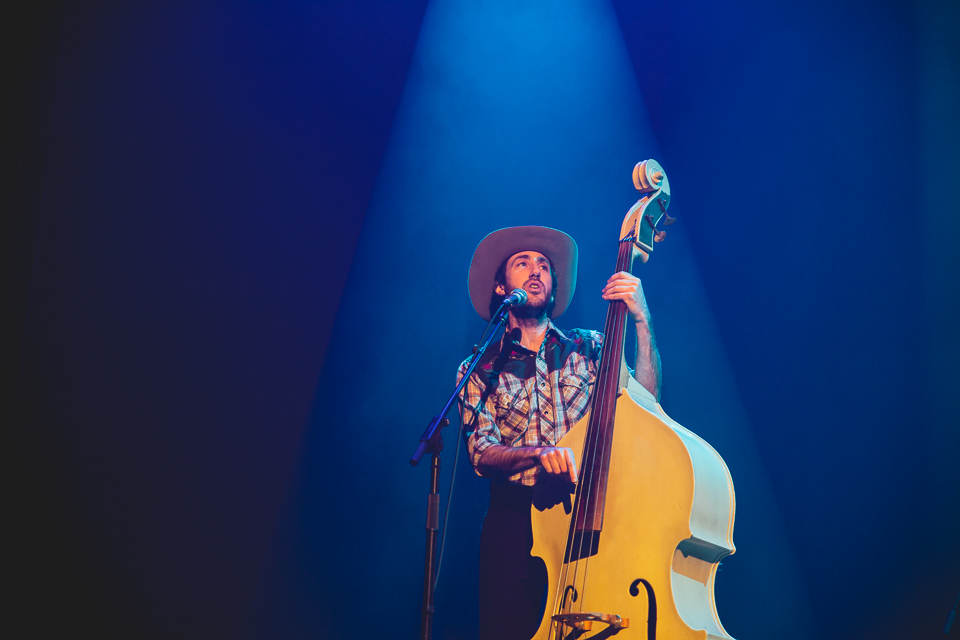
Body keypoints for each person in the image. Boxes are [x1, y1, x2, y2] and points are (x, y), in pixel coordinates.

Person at [457, 225, 661, 640]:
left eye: (545, 266)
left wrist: (641, 319)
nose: (536, 271)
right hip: (514, 521)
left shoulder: (590, 347)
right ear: (501, 287)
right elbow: (481, 452)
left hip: (588, 516)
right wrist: (539, 453)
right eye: (522, 263)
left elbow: (647, 406)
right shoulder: (478, 368)